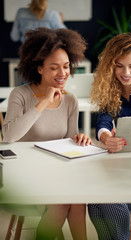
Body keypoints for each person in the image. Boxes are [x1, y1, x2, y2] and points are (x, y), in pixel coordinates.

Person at [2, 27, 92, 240]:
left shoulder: (70, 99)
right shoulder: (21, 95)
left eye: (66, 66)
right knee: (61, 202)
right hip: (24, 175)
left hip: (56, 171)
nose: (62, 74)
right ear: (39, 68)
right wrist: (42, 103)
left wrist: (79, 138)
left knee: (78, 200)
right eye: (54, 68)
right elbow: (9, 136)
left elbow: (70, 139)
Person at [88, 32, 131, 240]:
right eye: (119, 65)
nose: (125, 72)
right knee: (93, 199)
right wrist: (105, 137)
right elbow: (103, 120)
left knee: (109, 199)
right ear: (111, 65)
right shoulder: (110, 88)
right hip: (126, 172)